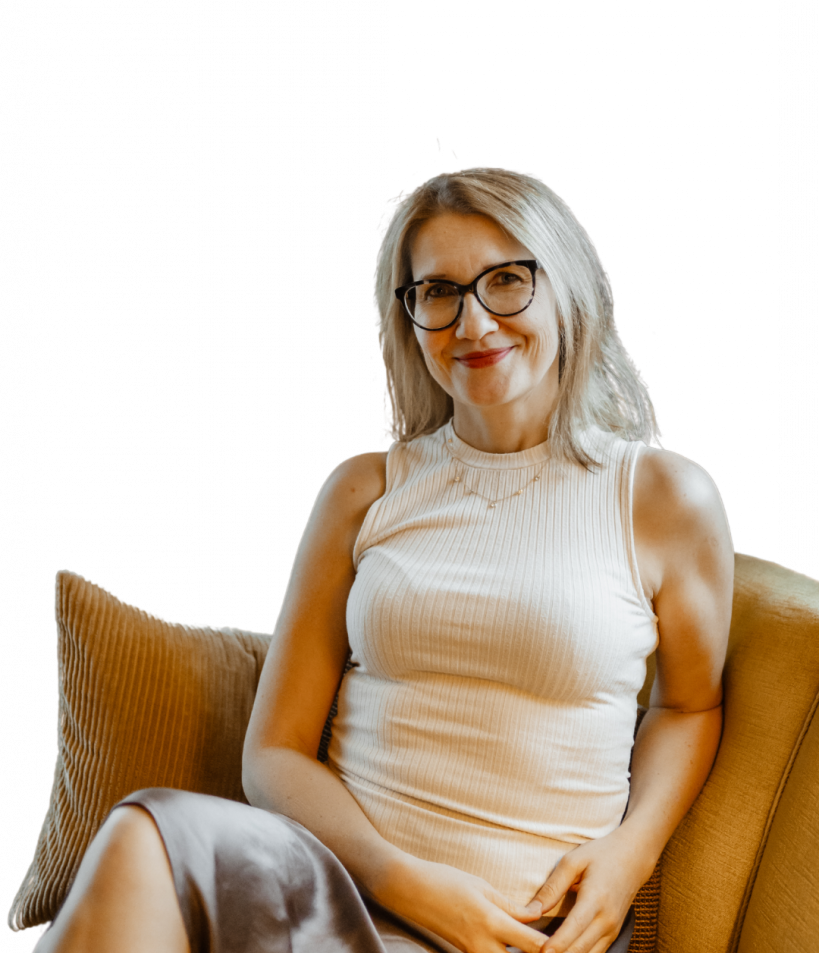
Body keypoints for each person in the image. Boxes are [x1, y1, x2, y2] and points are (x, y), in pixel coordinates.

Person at [35, 167, 734, 953]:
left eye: (507, 280)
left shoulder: (662, 499)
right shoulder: (364, 489)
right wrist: (399, 878)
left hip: (512, 922)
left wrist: (630, 854)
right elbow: (273, 752)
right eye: (438, 292)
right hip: (327, 886)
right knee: (143, 834)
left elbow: (688, 706)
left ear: (566, 288)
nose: (473, 323)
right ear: (408, 317)